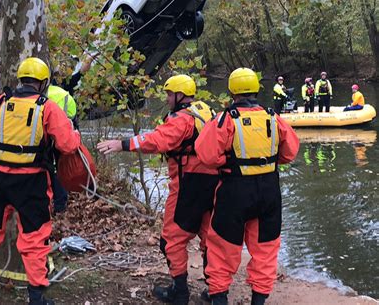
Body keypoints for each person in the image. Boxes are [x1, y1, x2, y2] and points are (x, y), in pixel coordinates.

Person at [0, 57, 81, 305]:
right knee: (34, 238)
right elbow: (66, 145)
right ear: (43, 83)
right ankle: (36, 297)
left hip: (0, 179)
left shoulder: (2, 101)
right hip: (32, 182)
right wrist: (74, 133)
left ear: (21, 79)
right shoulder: (48, 107)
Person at [97, 75, 219, 304]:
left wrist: (123, 144)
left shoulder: (181, 120)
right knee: (209, 237)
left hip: (188, 184)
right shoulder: (207, 112)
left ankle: (180, 293)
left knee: (171, 240)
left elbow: (158, 141)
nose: (167, 98)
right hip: (213, 183)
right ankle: (215, 291)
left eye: (170, 94)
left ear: (179, 95)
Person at [194, 68, 299, 305]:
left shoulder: (226, 119)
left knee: (222, 247)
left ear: (232, 91)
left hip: (234, 191)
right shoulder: (273, 117)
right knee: (266, 248)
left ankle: (219, 298)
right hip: (269, 190)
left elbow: (206, 154)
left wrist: (227, 161)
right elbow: (290, 151)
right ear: (256, 89)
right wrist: (270, 161)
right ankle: (258, 302)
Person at [47, 84, 78, 212]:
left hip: (48, 135)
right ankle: (61, 203)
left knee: (50, 169)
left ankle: (55, 201)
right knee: (60, 170)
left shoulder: (44, 94)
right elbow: (73, 116)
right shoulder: (64, 93)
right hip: (64, 133)